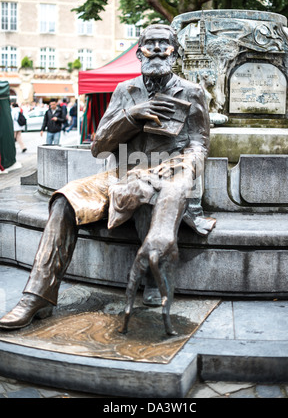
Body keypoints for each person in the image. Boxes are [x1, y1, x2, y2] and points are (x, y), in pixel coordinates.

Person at [0, 24, 215, 333]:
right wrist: (133, 115)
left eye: (163, 44)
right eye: (149, 44)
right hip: (121, 173)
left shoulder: (192, 92)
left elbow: (199, 144)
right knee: (64, 200)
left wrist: (183, 169)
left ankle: (154, 278)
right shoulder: (125, 91)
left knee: (149, 195)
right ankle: (37, 296)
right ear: (139, 52)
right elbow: (98, 146)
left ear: (175, 52)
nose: (156, 49)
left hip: (166, 174)